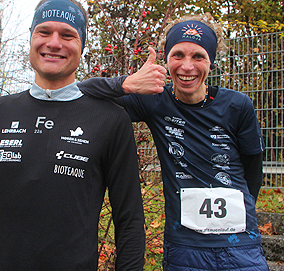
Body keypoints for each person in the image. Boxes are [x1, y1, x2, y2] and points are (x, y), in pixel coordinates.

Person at [0, 0, 145, 268]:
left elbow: (129, 218)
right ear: (31, 39)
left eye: (68, 35)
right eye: (44, 32)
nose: (54, 43)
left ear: (81, 45)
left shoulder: (110, 119)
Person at [79, 15, 273, 269]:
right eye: (178, 55)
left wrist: (239, 213)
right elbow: (81, 92)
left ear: (211, 62)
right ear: (166, 59)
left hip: (240, 245)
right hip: (185, 247)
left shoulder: (237, 105)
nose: (187, 66)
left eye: (198, 57)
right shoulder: (155, 101)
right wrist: (127, 83)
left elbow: (253, 172)